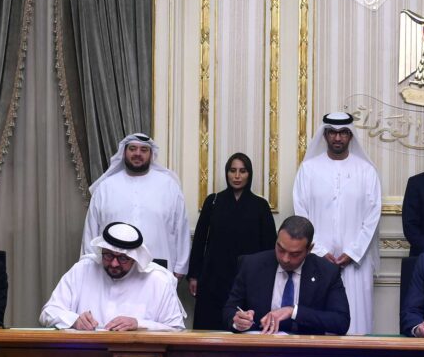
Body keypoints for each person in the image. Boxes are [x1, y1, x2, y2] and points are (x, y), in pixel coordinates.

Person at [293, 113, 381, 335]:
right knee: (317, 322)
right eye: (333, 132)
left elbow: (372, 216)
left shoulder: (366, 171)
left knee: (357, 324)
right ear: (325, 135)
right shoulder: (308, 169)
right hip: (317, 260)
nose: (338, 138)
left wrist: (352, 253)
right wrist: (320, 251)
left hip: (355, 264)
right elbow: (301, 213)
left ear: (350, 135)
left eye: (343, 133)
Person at [41, 222, 186, 331]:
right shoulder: (82, 270)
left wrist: (139, 324)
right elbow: (48, 312)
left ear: (134, 258)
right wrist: (74, 320)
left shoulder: (158, 281)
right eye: (109, 255)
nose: (114, 264)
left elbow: (177, 329)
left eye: (123, 258)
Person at [81, 133, 191, 277]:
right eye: (132, 149)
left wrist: (180, 268)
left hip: (158, 269)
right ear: (124, 152)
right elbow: (91, 230)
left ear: (151, 154)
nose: (138, 153)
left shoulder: (169, 186)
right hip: (114, 268)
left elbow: (181, 229)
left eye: (143, 150)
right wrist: (87, 265)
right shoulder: (105, 187)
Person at [187, 153, 276, 329]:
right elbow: (199, 241)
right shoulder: (213, 201)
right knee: (209, 326)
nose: (237, 176)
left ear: (249, 174)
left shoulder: (260, 205)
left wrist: (268, 277)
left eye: (242, 171)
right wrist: (194, 276)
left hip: (248, 277)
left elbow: (269, 246)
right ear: (226, 173)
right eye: (232, 170)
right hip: (214, 276)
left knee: (244, 326)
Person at [224, 216, 349, 335]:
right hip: (260, 348)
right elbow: (230, 309)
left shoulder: (327, 272)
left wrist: (293, 311)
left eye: (294, 254)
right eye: (281, 249)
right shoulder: (251, 265)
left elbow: (341, 322)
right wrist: (238, 321)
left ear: (309, 249)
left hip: (306, 350)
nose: (285, 259)